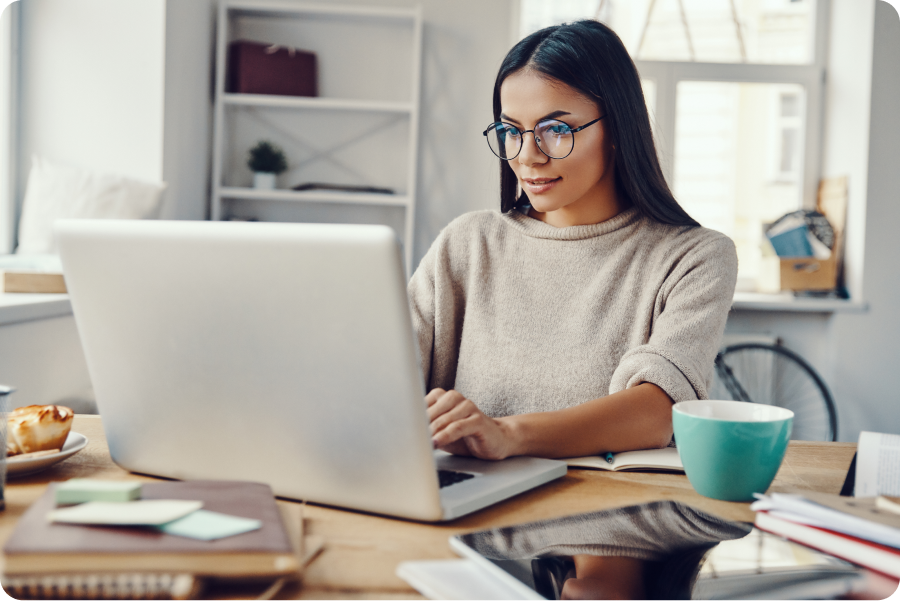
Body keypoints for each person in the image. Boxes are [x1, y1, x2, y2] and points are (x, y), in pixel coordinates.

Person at [407, 19, 737, 461]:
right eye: (511, 131)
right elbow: (386, 373)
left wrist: (508, 434)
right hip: (468, 509)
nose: (527, 156)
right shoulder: (466, 244)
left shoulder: (694, 257)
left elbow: (656, 412)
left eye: (555, 130)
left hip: (607, 517)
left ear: (617, 129)